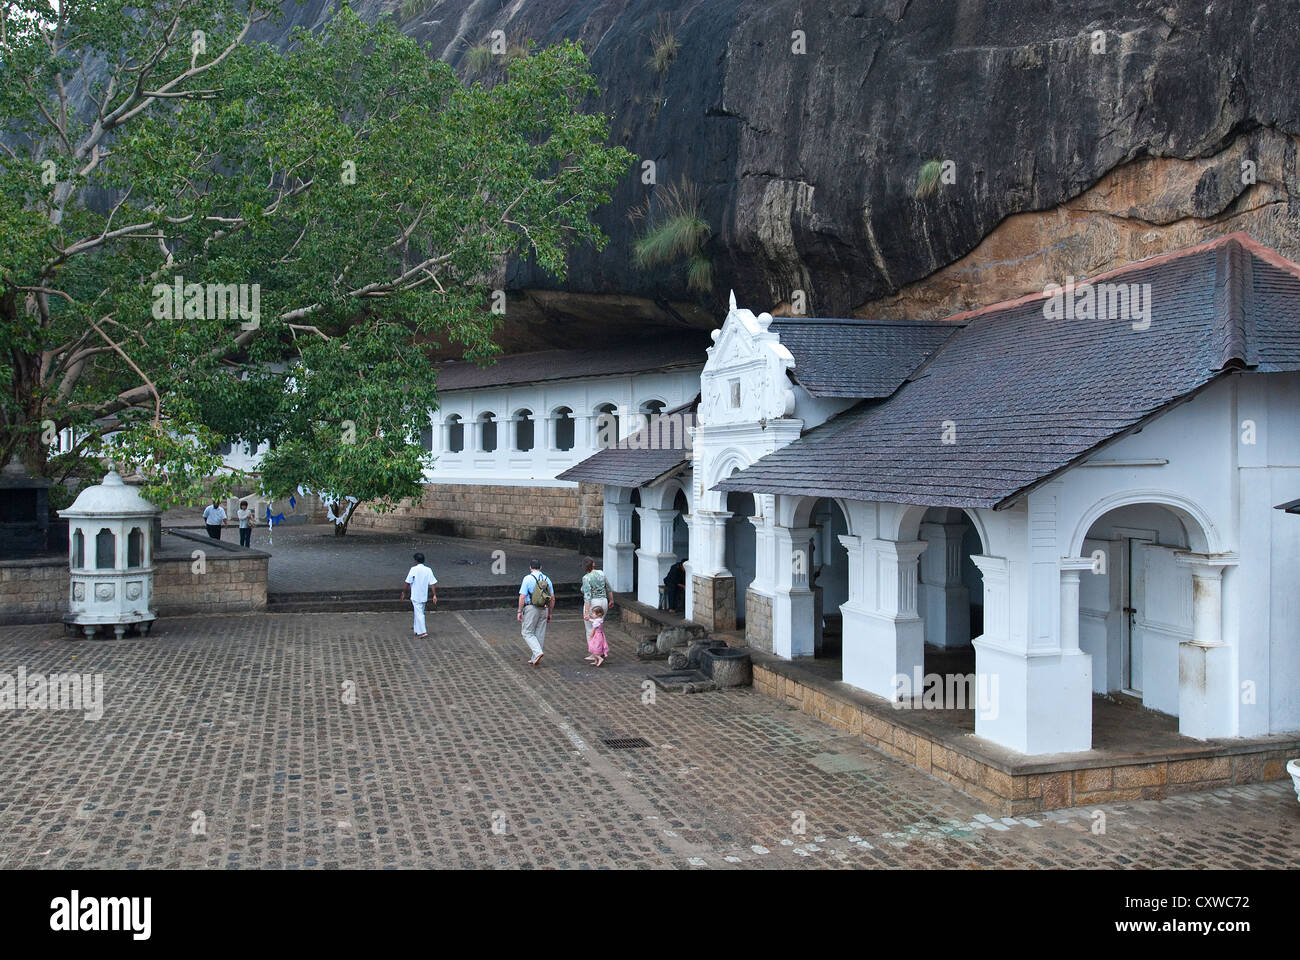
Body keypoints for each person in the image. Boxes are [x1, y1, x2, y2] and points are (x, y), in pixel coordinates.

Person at [516, 561, 555, 666]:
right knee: (540, 632)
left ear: (530, 568)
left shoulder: (527, 579)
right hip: (544, 608)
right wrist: (550, 613)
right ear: (541, 567)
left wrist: (519, 610)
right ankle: (535, 657)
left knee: (527, 632)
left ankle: (537, 652)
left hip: (531, 607)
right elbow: (552, 598)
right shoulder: (547, 579)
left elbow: (522, 596)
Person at [401, 552, 438, 639]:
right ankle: (417, 629)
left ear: (416, 561)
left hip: (416, 595)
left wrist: (404, 592)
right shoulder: (428, 570)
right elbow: (432, 583)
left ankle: (423, 631)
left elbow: (408, 582)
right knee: (419, 612)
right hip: (423, 595)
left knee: (419, 614)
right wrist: (434, 595)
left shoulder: (413, 569)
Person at [580, 557, 615, 646]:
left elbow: (587, 596)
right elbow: (608, 587)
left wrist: (587, 612)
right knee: (599, 628)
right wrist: (611, 600)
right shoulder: (601, 573)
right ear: (593, 564)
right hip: (604, 601)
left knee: (590, 629)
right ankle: (602, 648)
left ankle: (594, 652)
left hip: (593, 602)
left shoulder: (586, 578)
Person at [585, 601, 609, 667]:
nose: (592, 615)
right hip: (600, 635)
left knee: (593, 648)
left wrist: (591, 636)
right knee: (596, 647)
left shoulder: (596, 622)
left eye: (593, 613)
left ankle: (600, 658)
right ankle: (596, 661)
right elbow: (594, 621)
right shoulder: (600, 619)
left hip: (596, 636)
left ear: (598, 614)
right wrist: (589, 619)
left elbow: (593, 629)